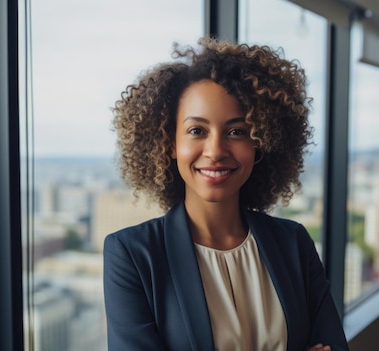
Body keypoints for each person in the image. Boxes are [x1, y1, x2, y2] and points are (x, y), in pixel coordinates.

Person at [103, 37, 348, 351]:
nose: (216, 150)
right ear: (170, 144)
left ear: (259, 142)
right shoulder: (133, 256)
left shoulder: (293, 243)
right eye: (197, 131)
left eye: (237, 131)